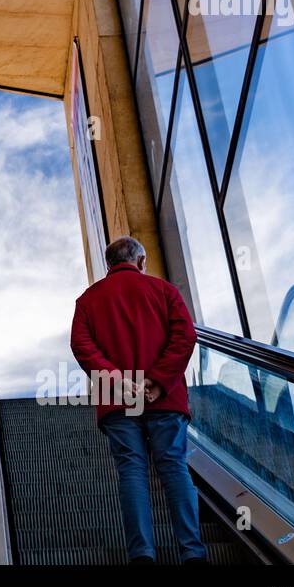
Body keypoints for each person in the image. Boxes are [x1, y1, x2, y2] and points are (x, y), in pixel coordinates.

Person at [69, 235, 207, 565]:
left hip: (117, 402)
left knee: (132, 470)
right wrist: (157, 381)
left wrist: (116, 380)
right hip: (165, 397)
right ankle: (192, 552)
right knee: (173, 466)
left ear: (109, 265)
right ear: (141, 262)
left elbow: (82, 345)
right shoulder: (165, 292)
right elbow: (185, 335)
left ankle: (142, 553)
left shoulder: (88, 301)